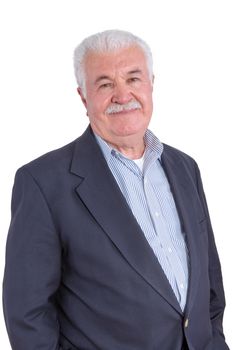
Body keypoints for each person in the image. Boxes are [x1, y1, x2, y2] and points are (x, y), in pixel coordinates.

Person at [3, 29, 229, 350]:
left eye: (133, 79)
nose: (123, 96)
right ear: (83, 96)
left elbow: (209, 287)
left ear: (151, 84)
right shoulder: (43, 182)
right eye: (105, 84)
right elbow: (27, 314)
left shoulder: (184, 167)